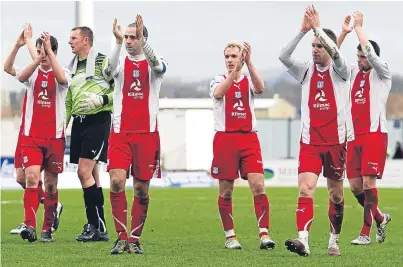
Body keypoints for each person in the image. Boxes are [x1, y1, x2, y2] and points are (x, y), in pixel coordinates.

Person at [279, 5, 351, 256]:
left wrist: (319, 28)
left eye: (319, 46)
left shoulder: (341, 70)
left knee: (336, 195)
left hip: (336, 142)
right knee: (305, 188)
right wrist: (303, 30)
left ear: (329, 47)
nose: (315, 50)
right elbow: (283, 57)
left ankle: (333, 241)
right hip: (310, 142)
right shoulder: (306, 70)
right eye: (313, 46)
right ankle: (303, 241)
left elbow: (337, 55)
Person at [107, 15, 167, 255]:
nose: (130, 41)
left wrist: (144, 41)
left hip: (147, 135)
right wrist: (117, 42)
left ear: (143, 39)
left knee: (141, 190)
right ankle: (121, 237)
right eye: (128, 37)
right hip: (121, 133)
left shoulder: (157, 63)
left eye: (134, 37)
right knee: (116, 182)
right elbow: (108, 71)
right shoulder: (121, 63)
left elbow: (157, 66)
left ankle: (135, 238)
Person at [209, 40, 275, 250]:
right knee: (226, 191)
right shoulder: (217, 80)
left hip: (248, 138)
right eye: (227, 57)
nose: (230, 60)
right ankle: (230, 236)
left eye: (234, 56)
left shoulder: (248, 79)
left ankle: (264, 234)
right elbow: (219, 93)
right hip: (225, 139)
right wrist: (234, 72)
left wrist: (249, 64)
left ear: (242, 58)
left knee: (258, 185)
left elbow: (261, 88)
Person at [337, 11, 392, 245]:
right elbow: (333, 58)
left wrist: (359, 29)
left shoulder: (382, 73)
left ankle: (365, 232)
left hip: (374, 135)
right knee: (355, 187)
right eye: (357, 56)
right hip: (354, 137)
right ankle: (380, 217)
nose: (359, 60)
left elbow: (370, 51)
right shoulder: (352, 74)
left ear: (372, 57)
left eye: (363, 56)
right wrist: (343, 33)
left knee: (370, 184)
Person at [4, 24, 63, 236]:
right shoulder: (32, 73)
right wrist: (19, 45)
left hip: (55, 138)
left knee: (50, 184)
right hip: (31, 136)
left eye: (46, 51)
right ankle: (30, 225)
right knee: (28, 178)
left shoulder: (62, 73)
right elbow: (11, 70)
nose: (42, 55)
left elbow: (63, 80)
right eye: (38, 52)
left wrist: (37, 48)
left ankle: (48, 226)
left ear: (54, 53)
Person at [66, 26, 115, 242]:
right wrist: (64, 123)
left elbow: (119, 91)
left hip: (98, 121)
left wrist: (102, 100)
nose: (70, 41)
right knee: (92, 174)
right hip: (80, 122)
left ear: (86, 40)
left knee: (83, 173)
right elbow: (69, 97)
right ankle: (99, 225)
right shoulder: (73, 66)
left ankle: (94, 224)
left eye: (73, 38)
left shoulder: (103, 61)